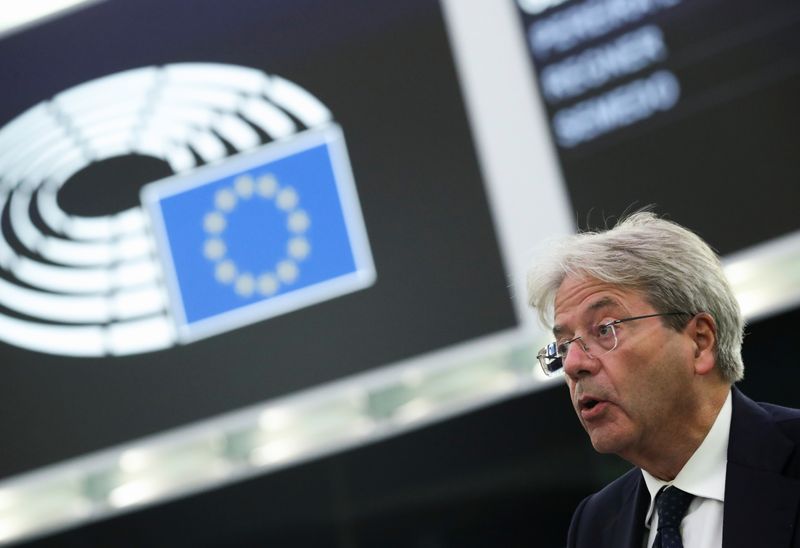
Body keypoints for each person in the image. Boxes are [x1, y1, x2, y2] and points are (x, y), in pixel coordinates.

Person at [526, 212, 800, 548]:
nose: (573, 364)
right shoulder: (594, 526)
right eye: (564, 345)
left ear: (700, 341)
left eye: (605, 329)